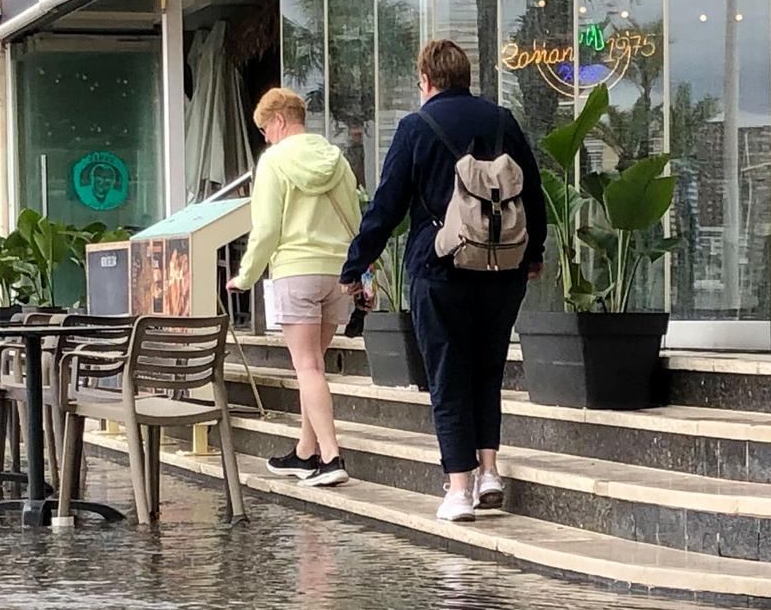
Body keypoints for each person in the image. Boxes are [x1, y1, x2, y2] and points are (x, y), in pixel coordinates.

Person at [340, 40, 546, 523]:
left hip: (440, 269)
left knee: (448, 374)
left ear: (425, 80)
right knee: (487, 368)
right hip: (502, 268)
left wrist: (356, 264)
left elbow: (388, 204)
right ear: (466, 76)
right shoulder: (502, 121)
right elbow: (532, 193)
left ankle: (459, 488)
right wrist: (531, 254)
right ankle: (489, 470)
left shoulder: (416, 127)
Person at [228, 86, 362, 488]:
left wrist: (246, 275)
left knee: (307, 368)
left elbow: (267, 228)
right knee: (314, 369)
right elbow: (355, 217)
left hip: (296, 270)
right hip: (336, 272)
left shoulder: (274, 162)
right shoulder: (337, 160)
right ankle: (305, 451)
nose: (265, 138)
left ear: (280, 121)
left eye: (265, 129)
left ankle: (332, 456)